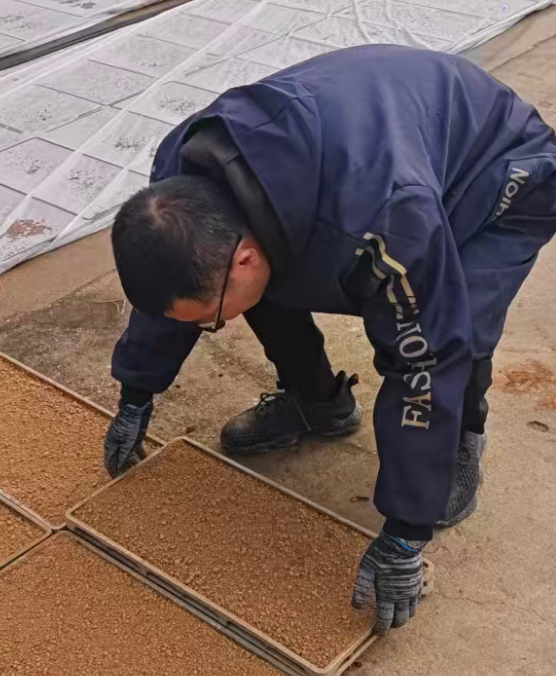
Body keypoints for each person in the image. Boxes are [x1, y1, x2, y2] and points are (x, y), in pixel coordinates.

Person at [102, 44, 556, 636]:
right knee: (256, 290)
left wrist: (405, 531)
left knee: (459, 322)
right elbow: (175, 287)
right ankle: (318, 403)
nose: (211, 330)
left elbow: (426, 358)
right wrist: (136, 391)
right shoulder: (179, 187)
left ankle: (460, 442)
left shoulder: (387, 221)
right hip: (380, 138)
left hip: (500, 174)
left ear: (243, 257)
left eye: (207, 322)